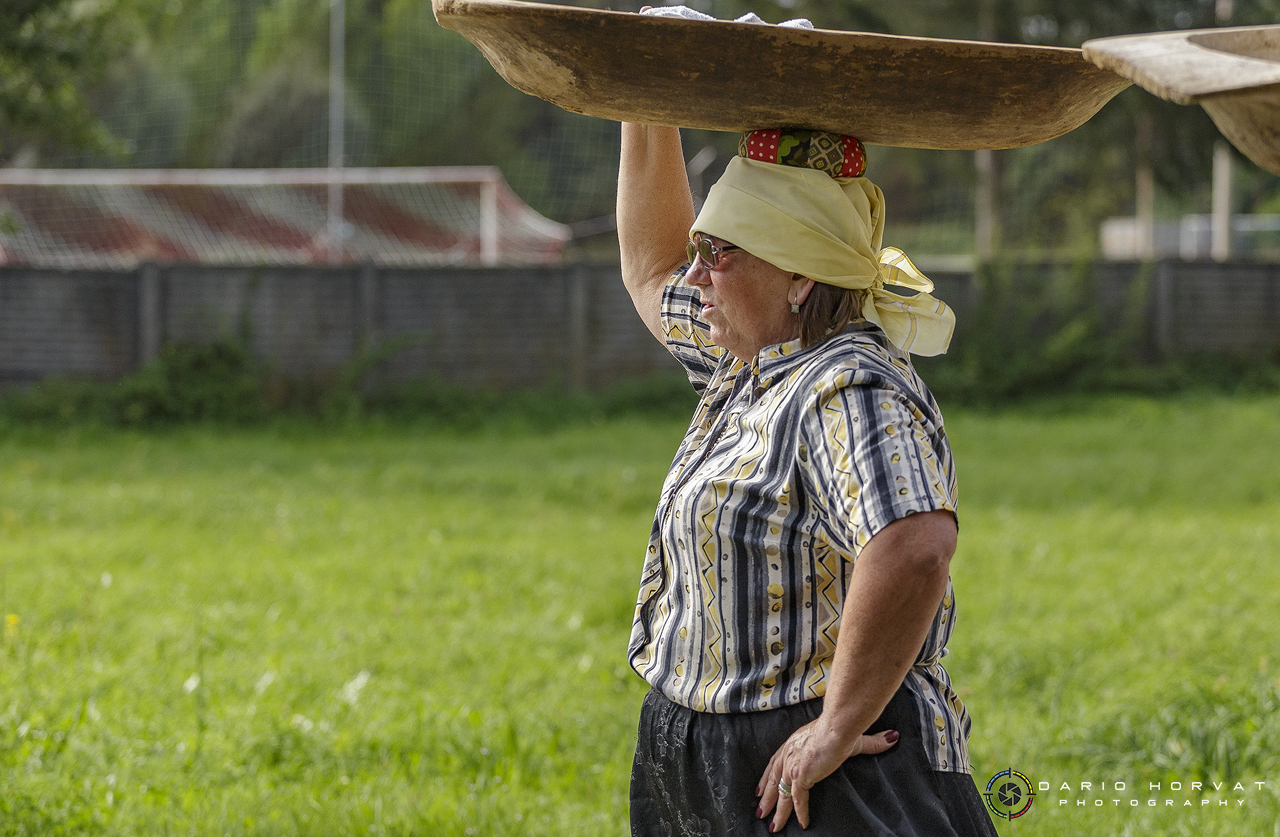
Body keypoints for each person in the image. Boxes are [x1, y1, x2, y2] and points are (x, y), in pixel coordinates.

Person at [616, 123, 998, 837]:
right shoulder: (754, 357)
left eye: (720, 254)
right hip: (709, 758)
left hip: (826, 774)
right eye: (702, 252)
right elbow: (649, 270)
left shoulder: (847, 384)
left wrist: (834, 726)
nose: (695, 275)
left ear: (799, 278)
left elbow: (914, 544)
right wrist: (645, 106)